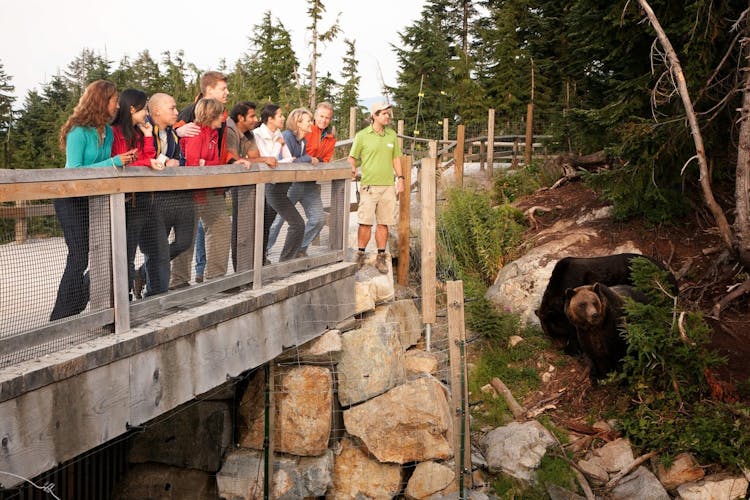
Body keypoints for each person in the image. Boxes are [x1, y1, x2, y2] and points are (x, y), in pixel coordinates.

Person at [50, 80, 137, 320]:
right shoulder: (78, 131)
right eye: (114, 100)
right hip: (70, 198)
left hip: (94, 198)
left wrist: (122, 161)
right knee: (78, 256)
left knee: (102, 252)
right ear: (101, 101)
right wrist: (116, 161)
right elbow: (76, 169)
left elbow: (106, 167)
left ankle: (75, 309)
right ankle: (59, 317)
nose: (117, 105)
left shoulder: (107, 131)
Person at [170, 71, 231, 289]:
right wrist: (178, 130)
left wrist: (225, 164)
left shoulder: (218, 124)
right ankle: (178, 280)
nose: (227, 92)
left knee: (221, 225)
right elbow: (169, 129)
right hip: (191, 188)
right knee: (186, 236)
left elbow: (217, 154)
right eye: (223, 89)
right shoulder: (190, 113)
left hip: (212, 187)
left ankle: (216, 277)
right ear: (210, 90)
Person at [132, 92, 195, 298]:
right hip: (149, 199)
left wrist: (173, 162)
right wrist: (164, 161)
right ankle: (155, 296)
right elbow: (140, 158)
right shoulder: (141, 129)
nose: (177, 112)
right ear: (156, 110)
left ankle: (141, 274)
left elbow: (181, 160)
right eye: (173, 108)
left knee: (184, 241)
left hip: (174, 196)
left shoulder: (173, 133)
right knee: (156, 251)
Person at [110, 88, 159, 297]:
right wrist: (148, 162)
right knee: (121, 251)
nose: (146, 113)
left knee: (130, 249)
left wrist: (148, 135)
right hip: (121, 199)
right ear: (132, 108)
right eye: (144, 108)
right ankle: (118, 295)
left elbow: (148, 156)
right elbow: (124, 161)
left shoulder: (138, 132)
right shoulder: (115, 132)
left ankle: (126, 293)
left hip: (139, 198)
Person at [347, 102, 404, 274]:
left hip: (388, 186)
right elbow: (352, 157)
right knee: (365, 223)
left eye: (388, 113)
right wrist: (352, 169)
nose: (388, 116)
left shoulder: (392, 135)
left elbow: (396, 159)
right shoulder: (362, 136)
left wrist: (400, 178)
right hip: (369, 186)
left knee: (384, 223)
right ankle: (360, 255)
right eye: (384, 113)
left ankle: (381, 258)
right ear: (375, 115)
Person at [266, 103, 330, 257]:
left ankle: (297, 249)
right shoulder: (287, 136)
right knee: (278, 221)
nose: (311, 123)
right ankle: (263, 252)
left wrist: (304, 159)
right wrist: (308, 158)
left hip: (307, 183)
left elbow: (302, 160)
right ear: (298, 123)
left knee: (317, 219)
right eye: (309, 120)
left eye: (327, 117)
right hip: (283, 187)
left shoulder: (303, 141)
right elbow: (285, 161)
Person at [225, 101, 278, 269]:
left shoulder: (248, 134)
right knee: (238, 227)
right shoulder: (230, 130)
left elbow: (252, 156)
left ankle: (254, 264)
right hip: (225, 183)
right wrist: (263, 159)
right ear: (240, 118)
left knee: (260, 219)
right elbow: (235, 159)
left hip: (245, 183)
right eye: (252, 116)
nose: (256, 119)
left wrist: (258, 159)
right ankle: (239, 269)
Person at [253, 103, 304, 262]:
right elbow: (269, 160)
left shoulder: (278, 134)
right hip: (263, 186)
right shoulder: (257, 134)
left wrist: (279, 154)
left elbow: (289, 159)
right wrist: (278, 145)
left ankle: (262, 260)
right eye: (280, 115)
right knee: (262, 224)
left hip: (278, 184)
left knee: (266, 223)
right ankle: (278, 262)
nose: (283, 118)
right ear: (270, 119)